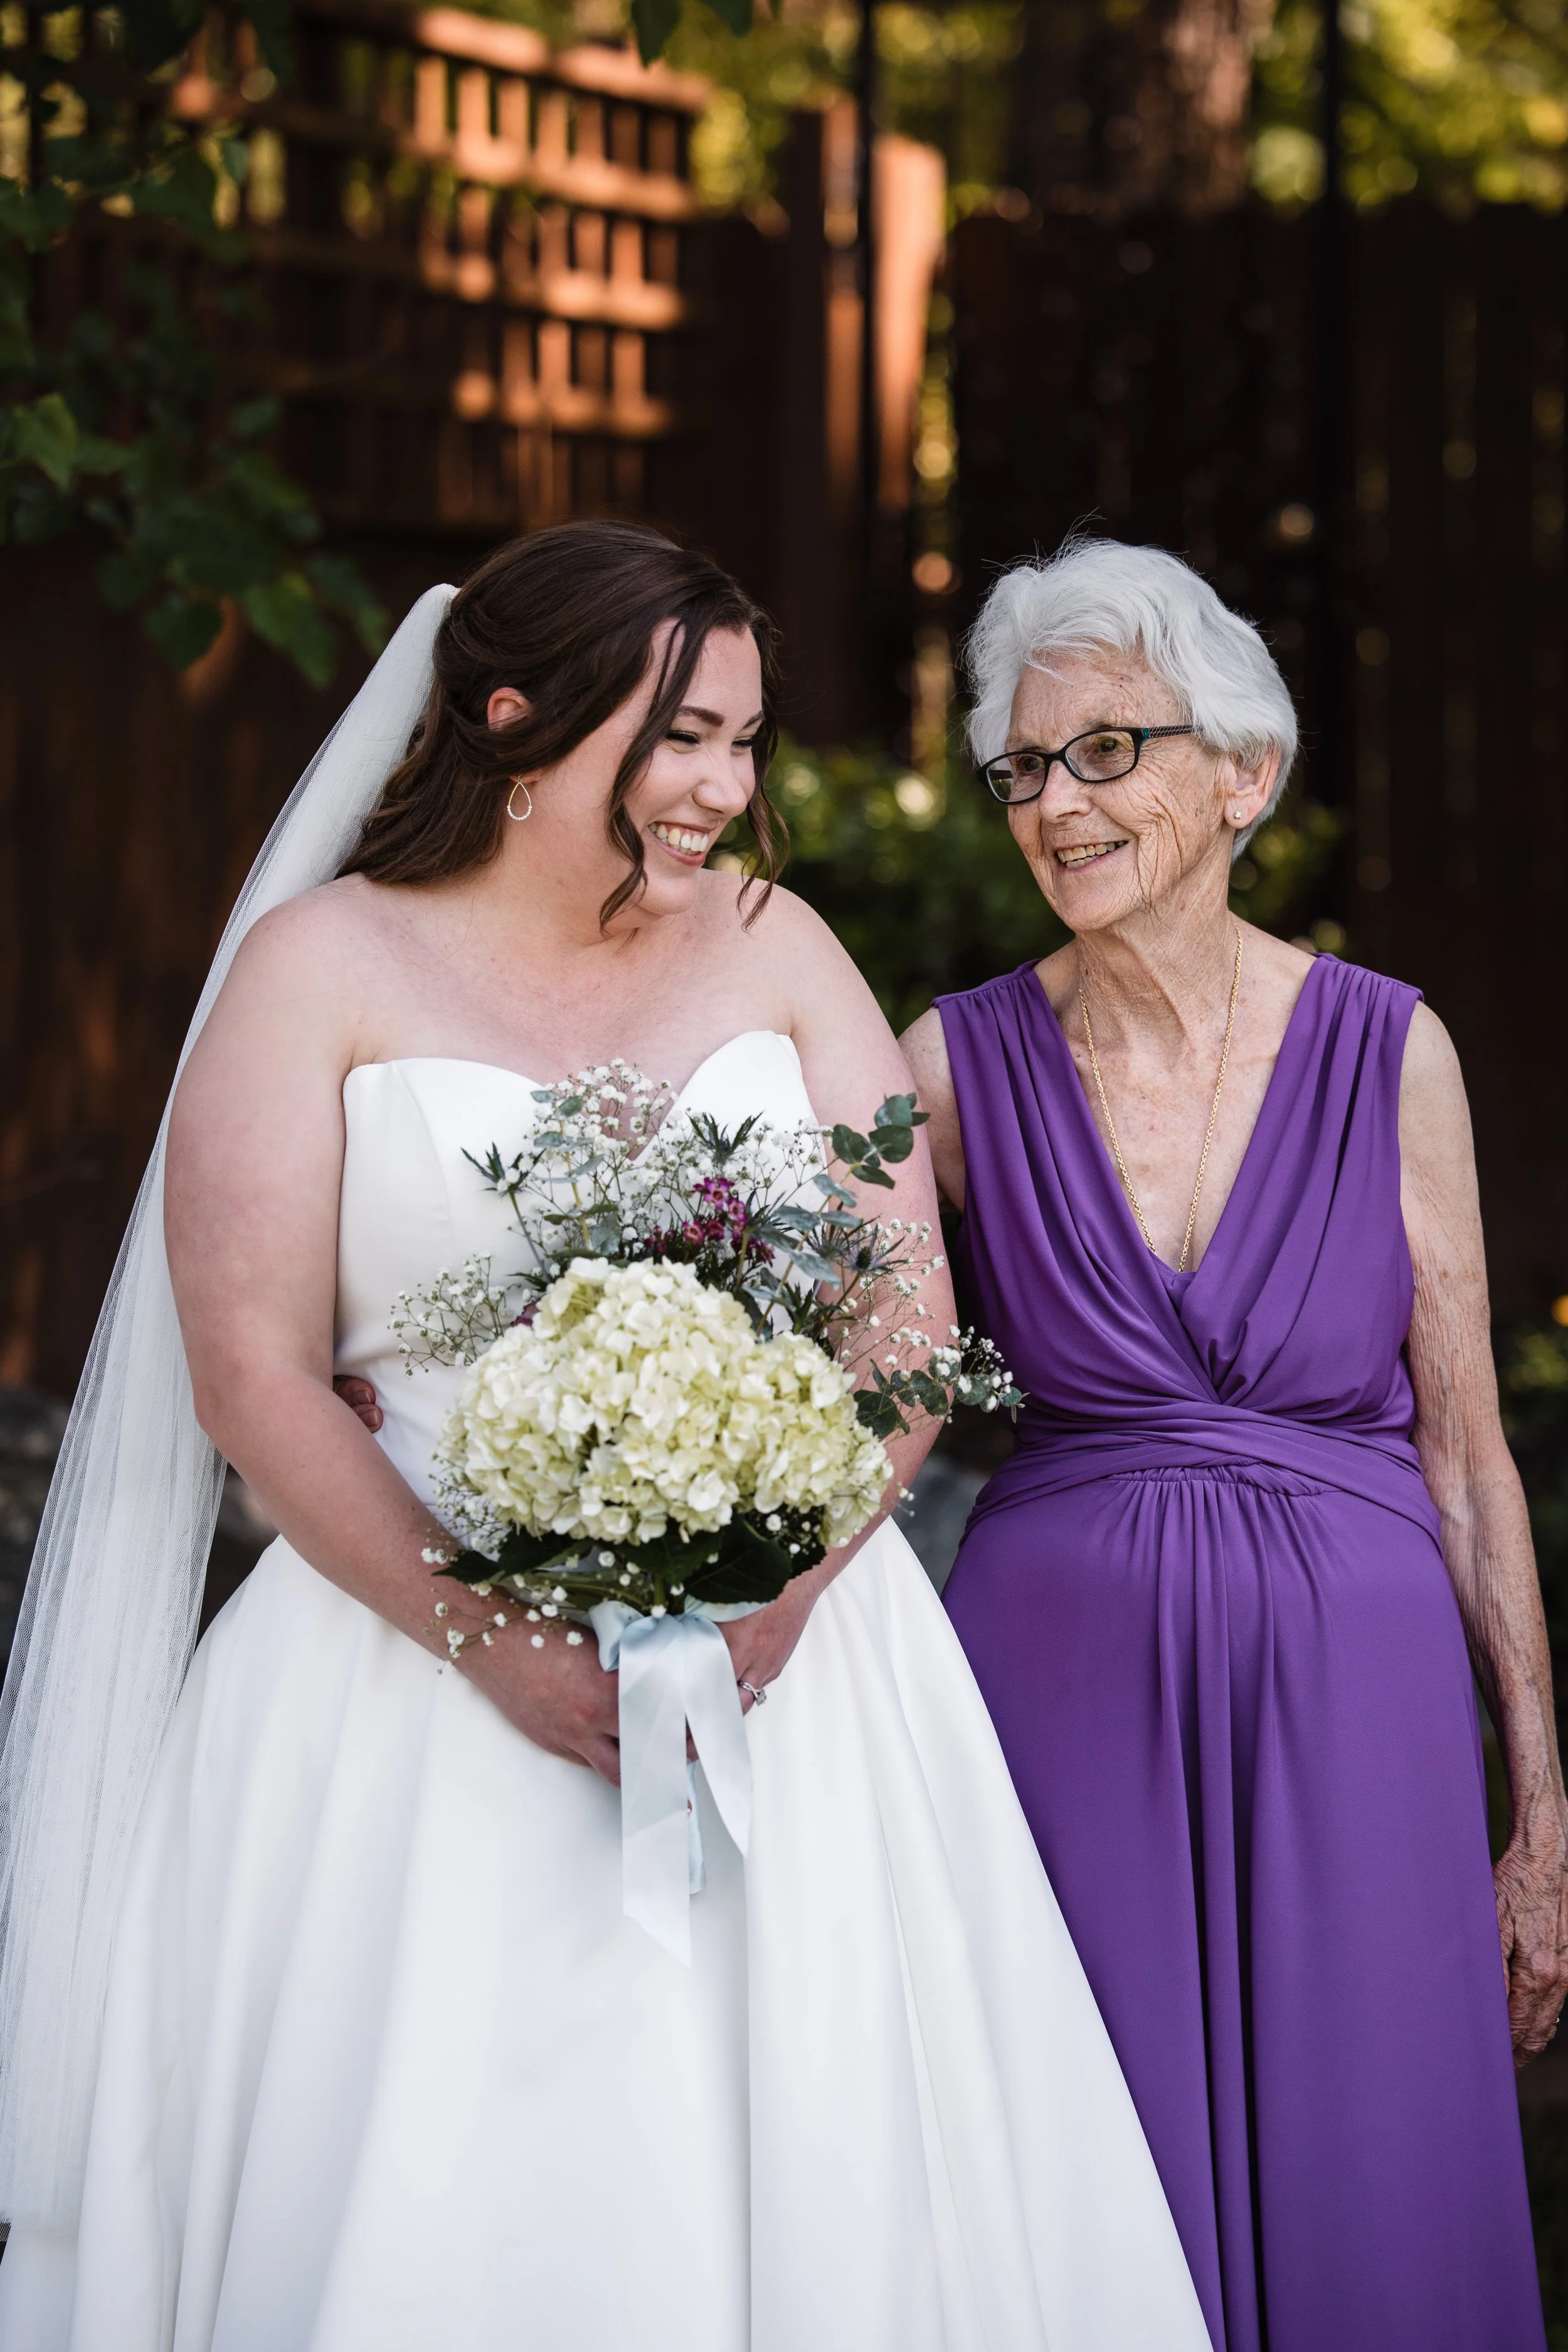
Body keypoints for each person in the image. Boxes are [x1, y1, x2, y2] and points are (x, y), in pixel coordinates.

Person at [0, 524, 1212, 2352]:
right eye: (680, 737)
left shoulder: (775, 944)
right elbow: (249, 1372)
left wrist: (784, 1594)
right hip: (393, 1655)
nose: (726, 784)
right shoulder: (321, 964)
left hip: (792, 1666)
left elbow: (901, 1331)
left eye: (743, 736)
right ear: (511, 718)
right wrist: (492, 1639)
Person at [904, 536, 1567, 2352]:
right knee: (1087, 2174)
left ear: (1239, 775)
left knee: (1376, 2176)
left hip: (1363, 1716)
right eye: (1024, 767)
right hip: (1059, 1709)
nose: (1056, 801)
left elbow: (1464, 1449)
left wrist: (1545, 1812)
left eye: (1104, 750)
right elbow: (837, 1375)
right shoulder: (950, 1071)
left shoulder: (1388, 1050)